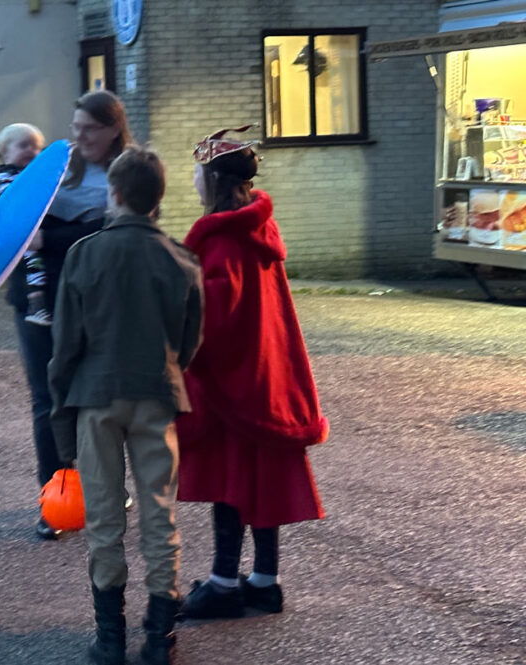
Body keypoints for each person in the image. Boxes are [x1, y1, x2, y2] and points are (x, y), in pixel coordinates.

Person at [49, 146, 203, 665]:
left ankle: (109, 638)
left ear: (114, 195)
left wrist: (59, 419)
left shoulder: (83, 255)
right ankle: (159, 638)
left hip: (94, 396)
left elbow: (65, 347)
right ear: (158, 198)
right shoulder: (183, 260)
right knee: (160, 515)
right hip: (157, 393)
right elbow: (189, 342)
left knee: (105, 517)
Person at [175, 126, 329, 619]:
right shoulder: (257, 230)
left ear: (215, 178)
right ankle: (263, 580)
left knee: (231, 480)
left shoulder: (222, 241)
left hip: (234, 382)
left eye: (198, 174)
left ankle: (223, 584)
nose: (194, 183)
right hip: (266, 374)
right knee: (260, 476)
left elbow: (214, 320)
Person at [7, 90, 133, 540]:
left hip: (97, 301)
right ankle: (55, 499)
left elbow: (121, 232)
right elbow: (18, 220)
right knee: (47, 400)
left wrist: (57, 235)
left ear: (115, 128)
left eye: (90, 129)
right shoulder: (56, 163)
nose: (79, 137)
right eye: (75, 127)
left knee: (98, 398)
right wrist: (78, 231)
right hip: (38, 296)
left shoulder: (130, 170)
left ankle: (104, 489)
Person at [0, 123, 49, 325]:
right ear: (5, 153)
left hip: (29, 229)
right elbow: (12, 198)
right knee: (33, 264)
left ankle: (38, 303)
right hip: (20, 233)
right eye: (24, 146)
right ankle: (36, 303)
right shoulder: (6, 174)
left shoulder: (29, 173)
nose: (31, 151)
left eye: (36, 148)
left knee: (36, 264)